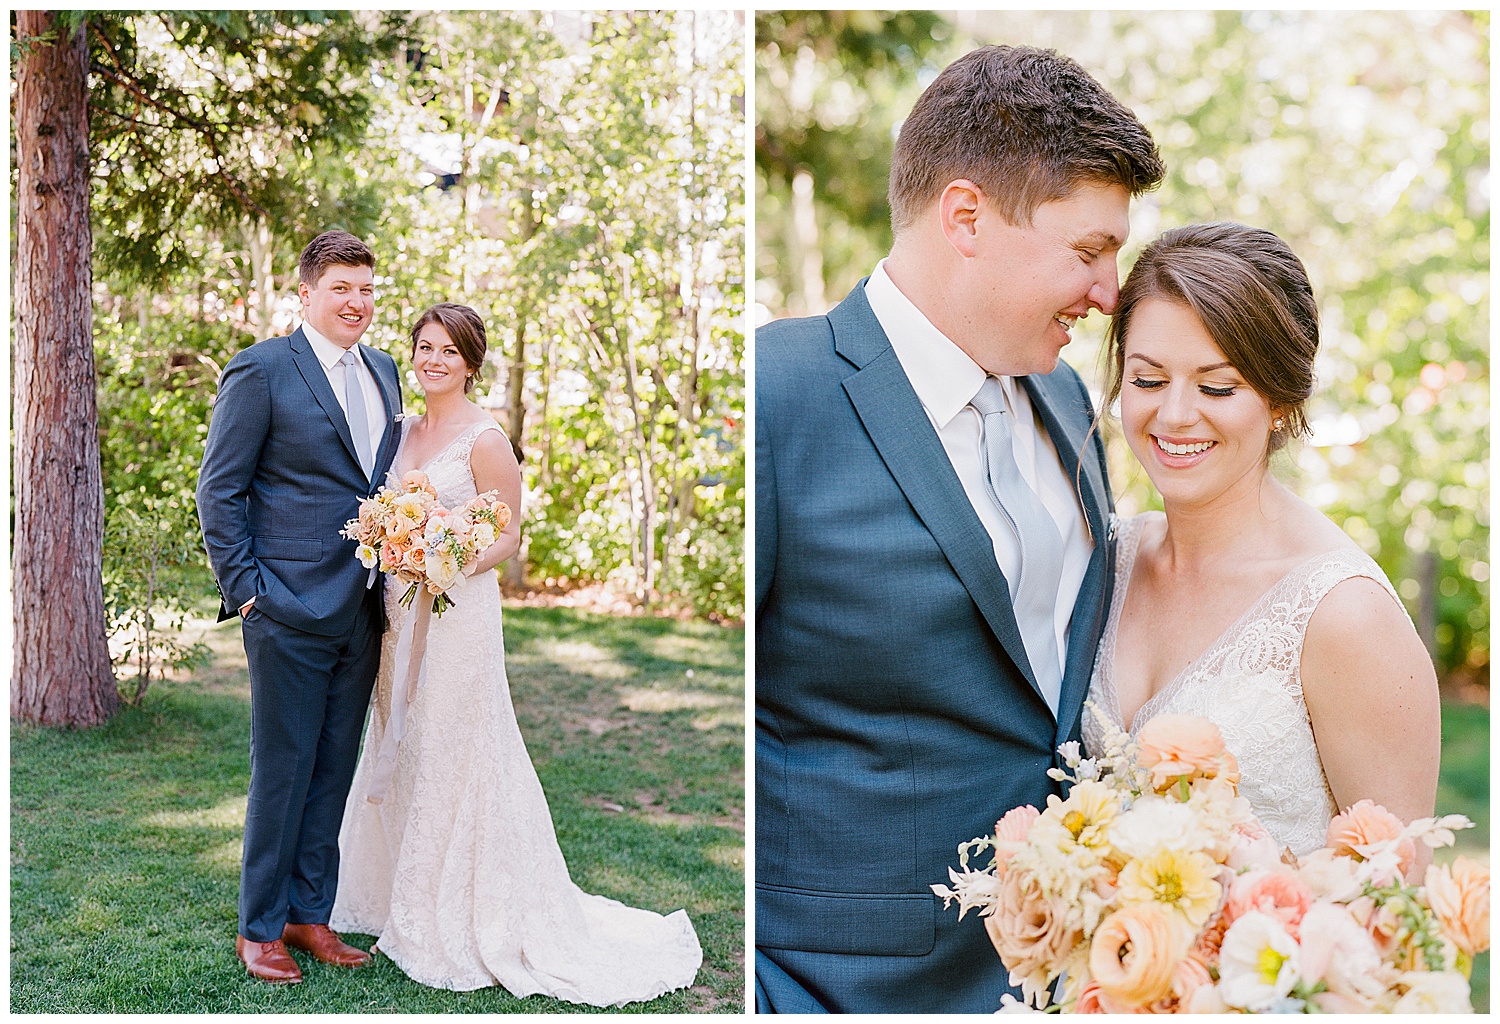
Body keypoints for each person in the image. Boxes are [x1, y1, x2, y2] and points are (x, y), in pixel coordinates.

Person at [754, 46, 1165, 1013]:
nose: (1111, 293)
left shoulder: (1065, 398)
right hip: (835, 983)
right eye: (1088, 250)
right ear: (967, 217)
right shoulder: (781, 394)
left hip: (1062, 976)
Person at [330, 303, 703, 1003]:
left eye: (447, 351)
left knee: (453, 745)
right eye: (423, 347)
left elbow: (505, 536)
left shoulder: (486, 439)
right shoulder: (401, 429)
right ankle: (392, 899)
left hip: (455, 613)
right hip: (395, 614)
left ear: (470, 362)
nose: (432, 359)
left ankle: (465, 914)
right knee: (399, 738)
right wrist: (393, 543)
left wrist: (443, 563)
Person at [1082, 221, 1441, 860]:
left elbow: (1395, 914)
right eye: (1147, 379)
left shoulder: (1345, 616)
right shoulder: (1107, 557)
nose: (1174, 415)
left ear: (1279, 399)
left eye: (1217, 386)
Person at [198, 230, 404, 984]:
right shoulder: (262, 370)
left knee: (332, 769)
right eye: (343, 289)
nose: (358, 303)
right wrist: (250, 592)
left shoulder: (384, 371)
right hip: (283, 607)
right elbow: (218, 491)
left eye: (367, 289)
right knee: (281, 770)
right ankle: (259, 928)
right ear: (307, 295)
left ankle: (310, 914)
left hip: (362, 608)